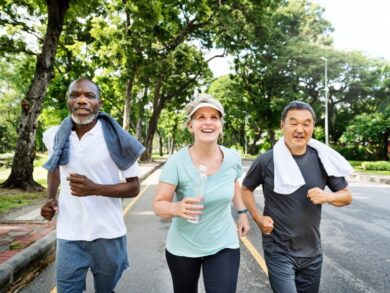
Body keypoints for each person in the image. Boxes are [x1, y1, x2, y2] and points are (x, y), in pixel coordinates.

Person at [40, 78, 145, 293]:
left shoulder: (118, 139)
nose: (81, 100)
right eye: (75, 95)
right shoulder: (53, 136)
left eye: (89, 96)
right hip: (69, 234)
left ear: (99, 103)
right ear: (67, 100)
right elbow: (55, 168)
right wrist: (51, 198)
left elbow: (134, 187)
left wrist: (94, 188)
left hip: (108, 234)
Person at [241, 101, 353, 293]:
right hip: (279, 250)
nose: (300, 129)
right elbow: (245, 189)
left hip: (312, 251)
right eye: (293, 123)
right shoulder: (266, 161)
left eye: (306, 123)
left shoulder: (322, 159)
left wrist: (326, 196)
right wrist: (258, 219)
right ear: (282, 125)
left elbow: (346, 196)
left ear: (313, 127)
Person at [153, 94, 250, 293]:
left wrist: (242, 214)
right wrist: (176, 207)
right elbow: (158, 204)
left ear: (221, 125)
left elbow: (232, 183)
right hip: (183, 246)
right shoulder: (176, 162)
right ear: (191, 126)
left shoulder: (232, 158)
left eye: (214, 117)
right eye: (201, 117)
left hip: (223, 243)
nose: (208, 122)